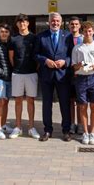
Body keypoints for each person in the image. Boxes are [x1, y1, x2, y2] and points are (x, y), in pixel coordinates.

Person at [35, 12, 73, 142]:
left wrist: (65, 62)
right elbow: (36, 54)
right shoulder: (41, 36)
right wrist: (45, 60)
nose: (55, 23)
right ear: (49, 22)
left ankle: (66, 130)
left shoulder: (68, 36)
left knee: (65, 104)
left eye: (57, 21)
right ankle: (47, 130)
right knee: (46, 104)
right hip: (47, 75)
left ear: (61, 22)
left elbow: (71, 55)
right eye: (53, 21)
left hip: (63, 75)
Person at [8, 14, 40, 139]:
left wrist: (34, 68)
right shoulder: (13, 39)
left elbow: (37, 58)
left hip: (31, 73)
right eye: (19, 22)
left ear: (28, 23)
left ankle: (31, 127)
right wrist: (16, 67)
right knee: (18, 100)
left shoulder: (34, 38)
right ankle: (18, 127)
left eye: (24, 22)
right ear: (17, 24)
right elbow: (11, 57)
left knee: (31, 101)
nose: (22, 24)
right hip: (17, 73)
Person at [68, 16, 83, 135]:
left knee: (80, 101)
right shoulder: (65, 38)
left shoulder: (83, 39)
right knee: (71, 100)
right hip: (68, 74)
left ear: (80, 26)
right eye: (72, 24)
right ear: (69, 26)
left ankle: (81, 123)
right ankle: (72, 123)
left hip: (81, 74)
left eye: (76, 24)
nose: (74, 26)